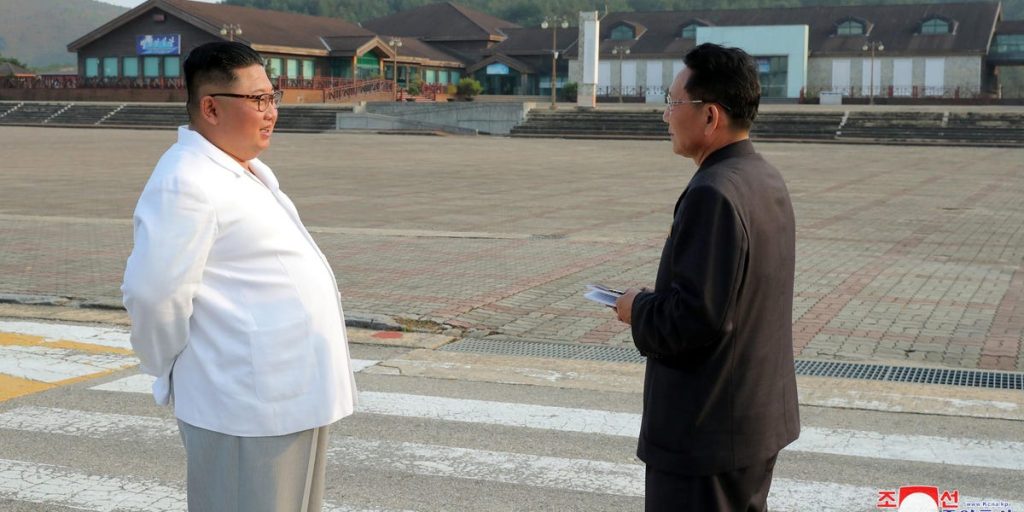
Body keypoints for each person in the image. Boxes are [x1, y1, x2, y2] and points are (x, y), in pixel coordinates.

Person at [121, 41, 357, 512]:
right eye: (258, 100)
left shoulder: (240, 169)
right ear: (210, 107)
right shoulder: (185, 181)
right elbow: (154, 295)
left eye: (273, 97)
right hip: (243, 405)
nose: (271, 112)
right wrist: (169, 367)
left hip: (290, 396)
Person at [613, 43, 800, 511]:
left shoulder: (713, 194)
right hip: (752, 419)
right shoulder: (763, 177)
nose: (665, 116)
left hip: (707, 433)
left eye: (673, 103)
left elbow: (696, 319)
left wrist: (637, 307)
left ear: (710, 116)